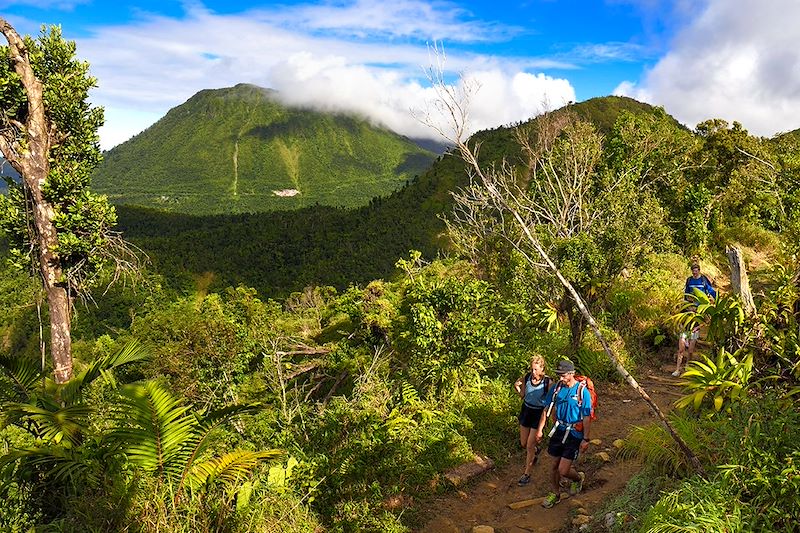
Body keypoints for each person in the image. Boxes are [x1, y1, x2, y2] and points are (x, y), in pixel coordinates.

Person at [535, 359, 592, 508]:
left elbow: (586, 417)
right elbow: (547, 409)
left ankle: (578, 479)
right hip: (558, 431)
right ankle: (555, 493)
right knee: (554, 465)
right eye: (559, 375)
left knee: (563, 469)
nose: (560, 378)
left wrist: (586, 439)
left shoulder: (582, 392)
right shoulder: (556, 388)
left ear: (571, 374)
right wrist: (540, 429)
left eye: (563, 375)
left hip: (574, 434)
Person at [673, 263, 717, 376]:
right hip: (688, 318)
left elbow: (711, 291)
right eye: (693, 271)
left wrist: (717, 299)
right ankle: (678, 369)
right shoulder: (689, 281)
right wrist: (686, 303)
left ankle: (687, 367)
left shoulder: (703, 280)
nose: (694, 273)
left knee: (691, 350)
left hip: (699, 311)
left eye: (696, 271)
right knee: (681, 348)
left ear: (699, 271)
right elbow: (686, 293)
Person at [513, 355, 551, 486]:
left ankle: (527, 474)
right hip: (526, 411)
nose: (533, 372)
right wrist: (517, 387)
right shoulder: (527, 378)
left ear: (542, 369)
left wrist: (542, 426)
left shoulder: (547, 383)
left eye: (536, 369)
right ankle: (535, 451)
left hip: (538, 414)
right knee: (524, 443)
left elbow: (549, 404)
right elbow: (523, 395)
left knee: (529, 445)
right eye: (532, 369)